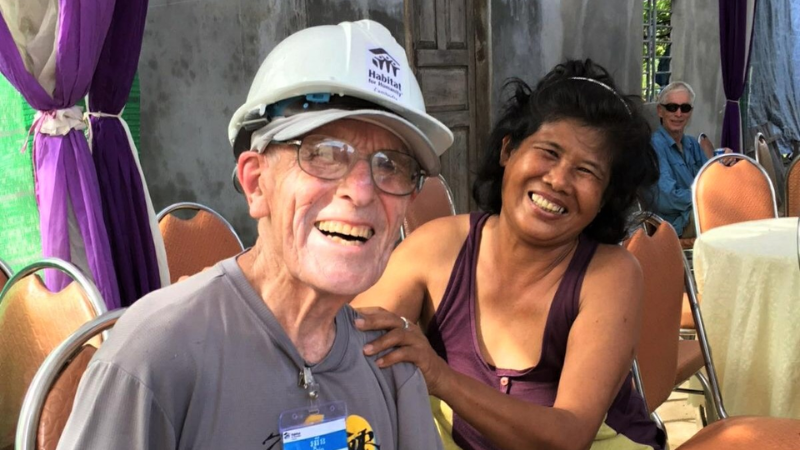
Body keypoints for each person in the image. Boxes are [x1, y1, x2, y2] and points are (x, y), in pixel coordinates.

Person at [57, 20, 452, 450]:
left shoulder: (390, 360)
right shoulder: (156, 357)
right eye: (323, 153)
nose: (361, 192)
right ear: (256, 183)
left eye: (392, 165)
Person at [353, 60, 664, 450]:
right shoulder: (436, 249)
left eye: (586, 171)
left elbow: (568, 436)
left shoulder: (610, 274)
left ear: (604, 199)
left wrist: (440, 376)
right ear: (507, 150)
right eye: (549, 152)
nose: (558, 181)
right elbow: (350, 348)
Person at [650, 81, 707, 238]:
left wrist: (723, 163)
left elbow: (709, 178)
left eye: (685, 108)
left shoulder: (692, 144)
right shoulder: (654, 146)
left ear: (691, 112)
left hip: (696, 213)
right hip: (673, 227)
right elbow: (666, 198)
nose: (678, 114)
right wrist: (704, 197)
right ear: (660, 111)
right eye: (672, 107)